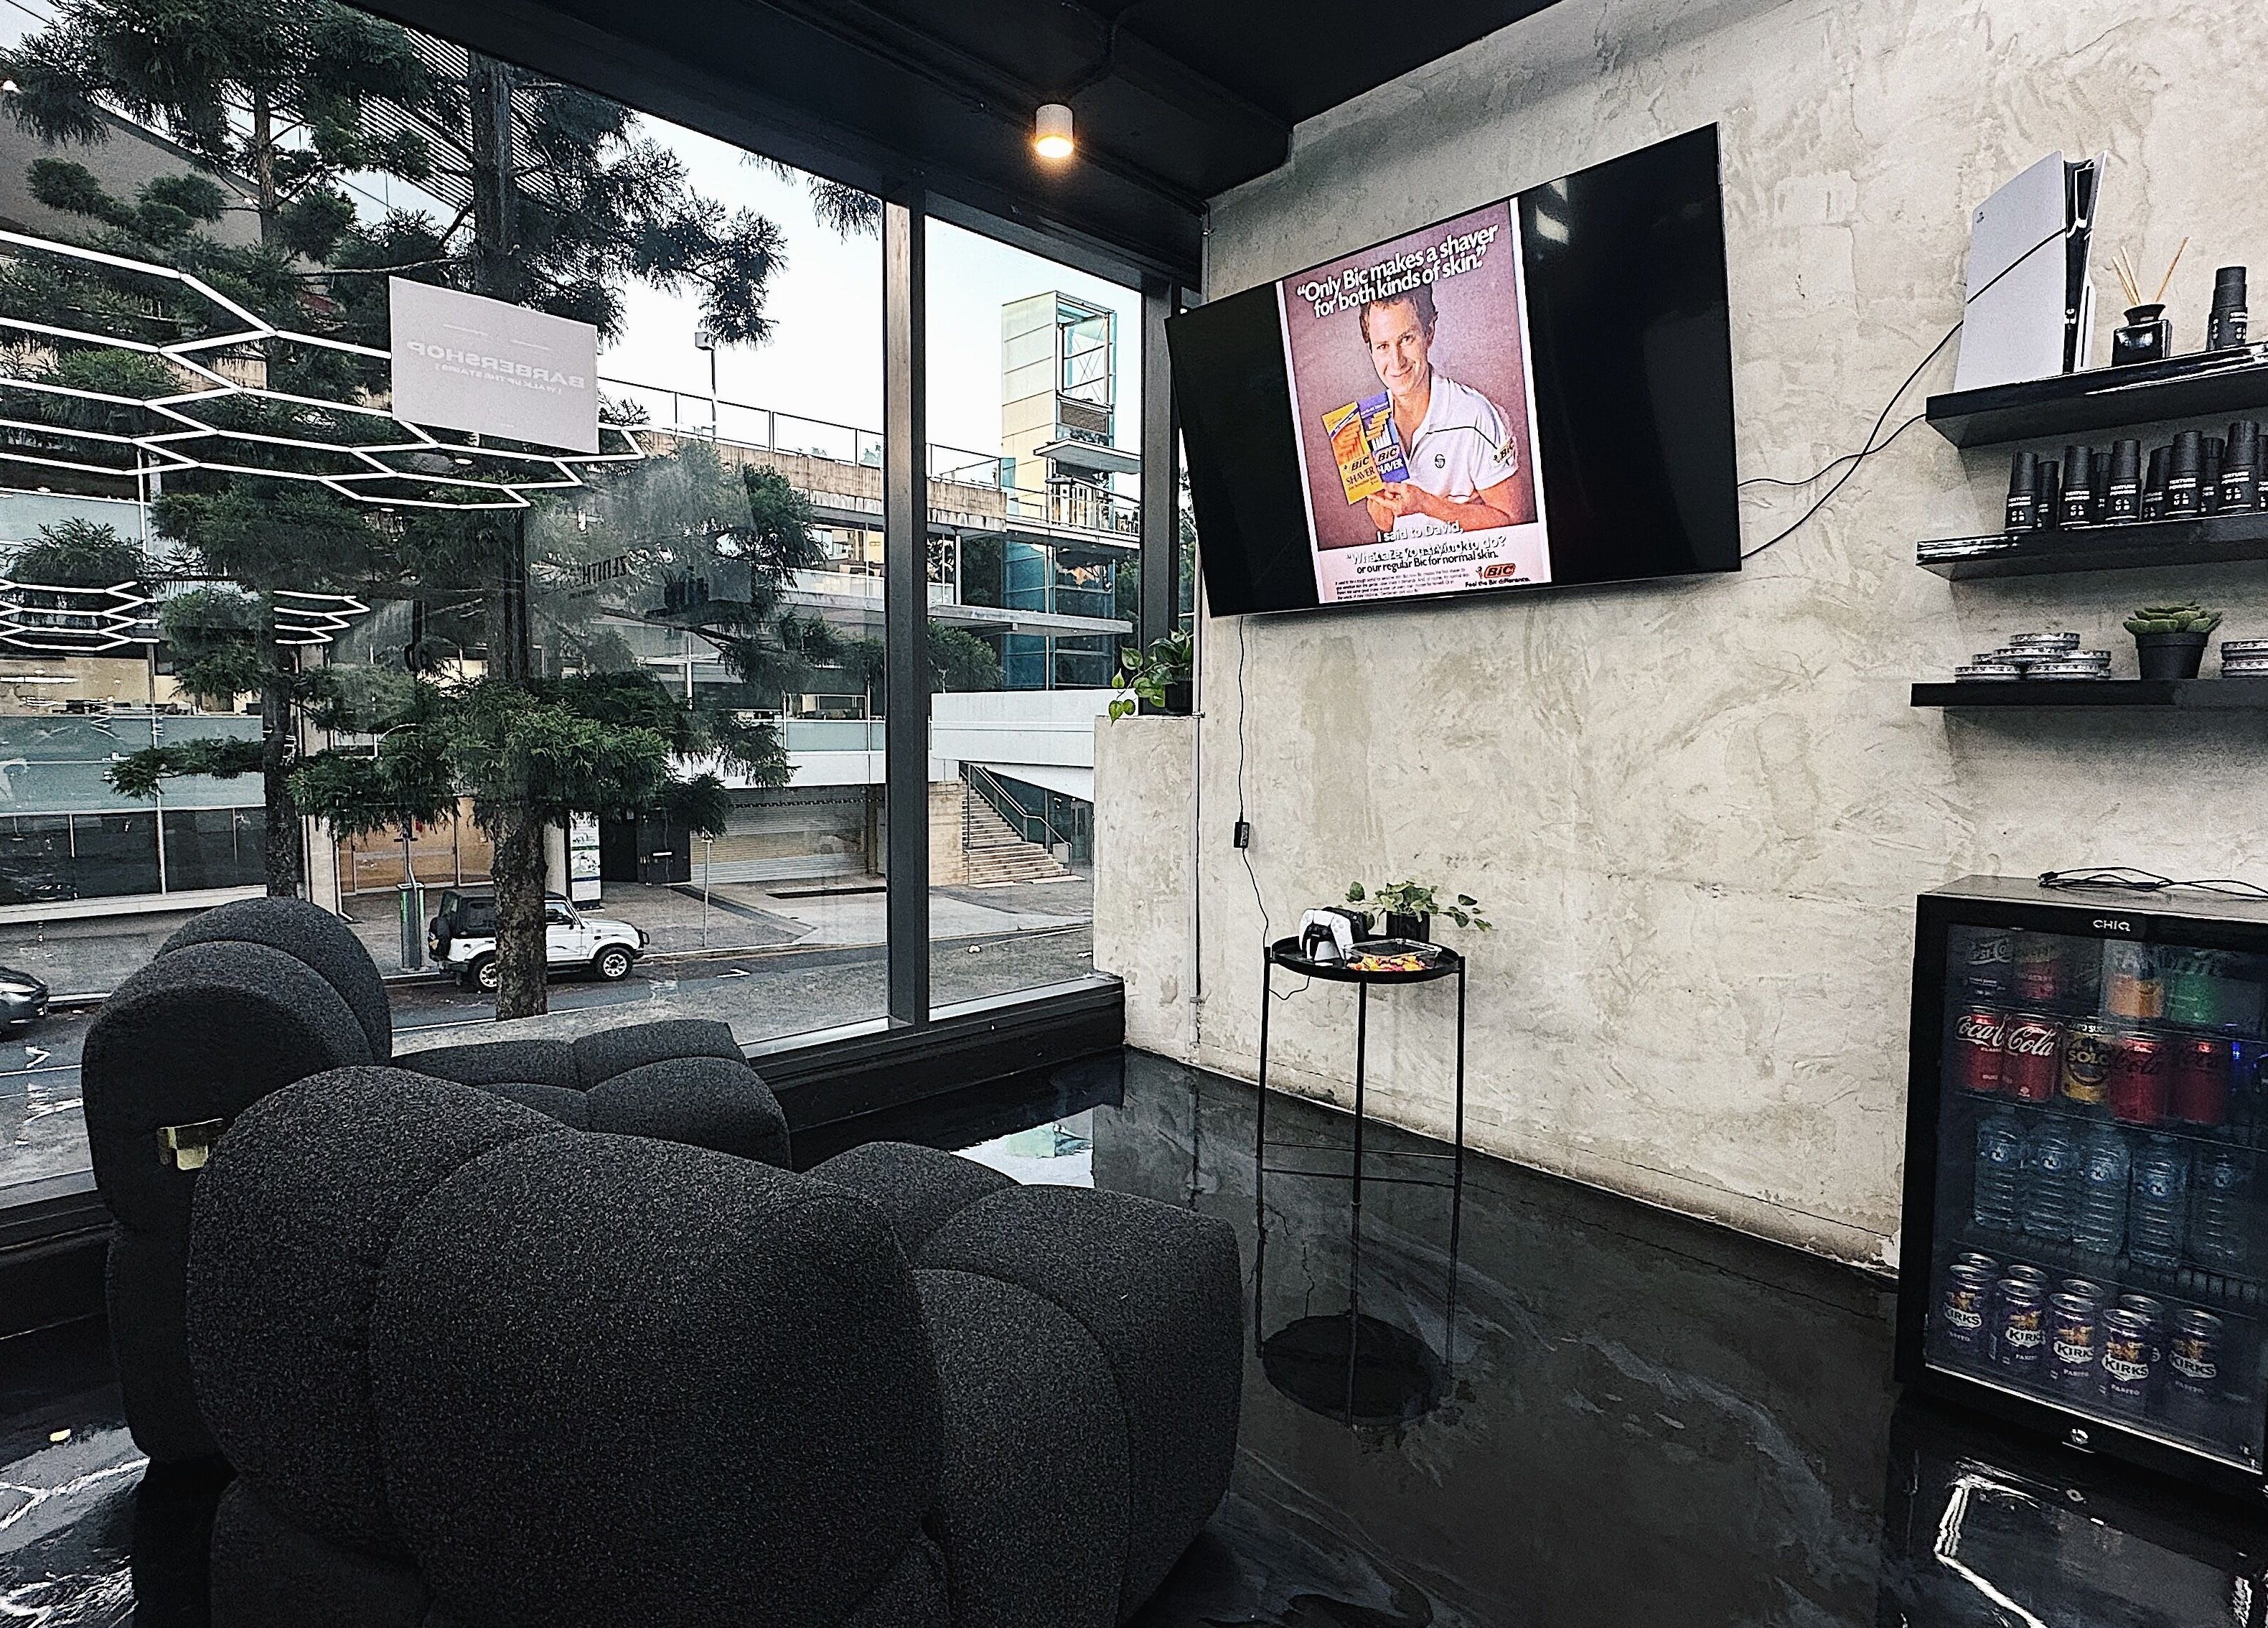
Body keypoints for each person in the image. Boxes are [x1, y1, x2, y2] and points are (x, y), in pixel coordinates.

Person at [1356, 285, 1524, 537]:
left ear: (1429, 334)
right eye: (1382, 346)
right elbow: (1387, 524)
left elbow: (1513, 521)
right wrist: (1378, 498)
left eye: (1407, 339)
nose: (1396, 360)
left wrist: (1426, 504)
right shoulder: (1370, 424)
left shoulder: (1476, 416)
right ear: (1370, 350)